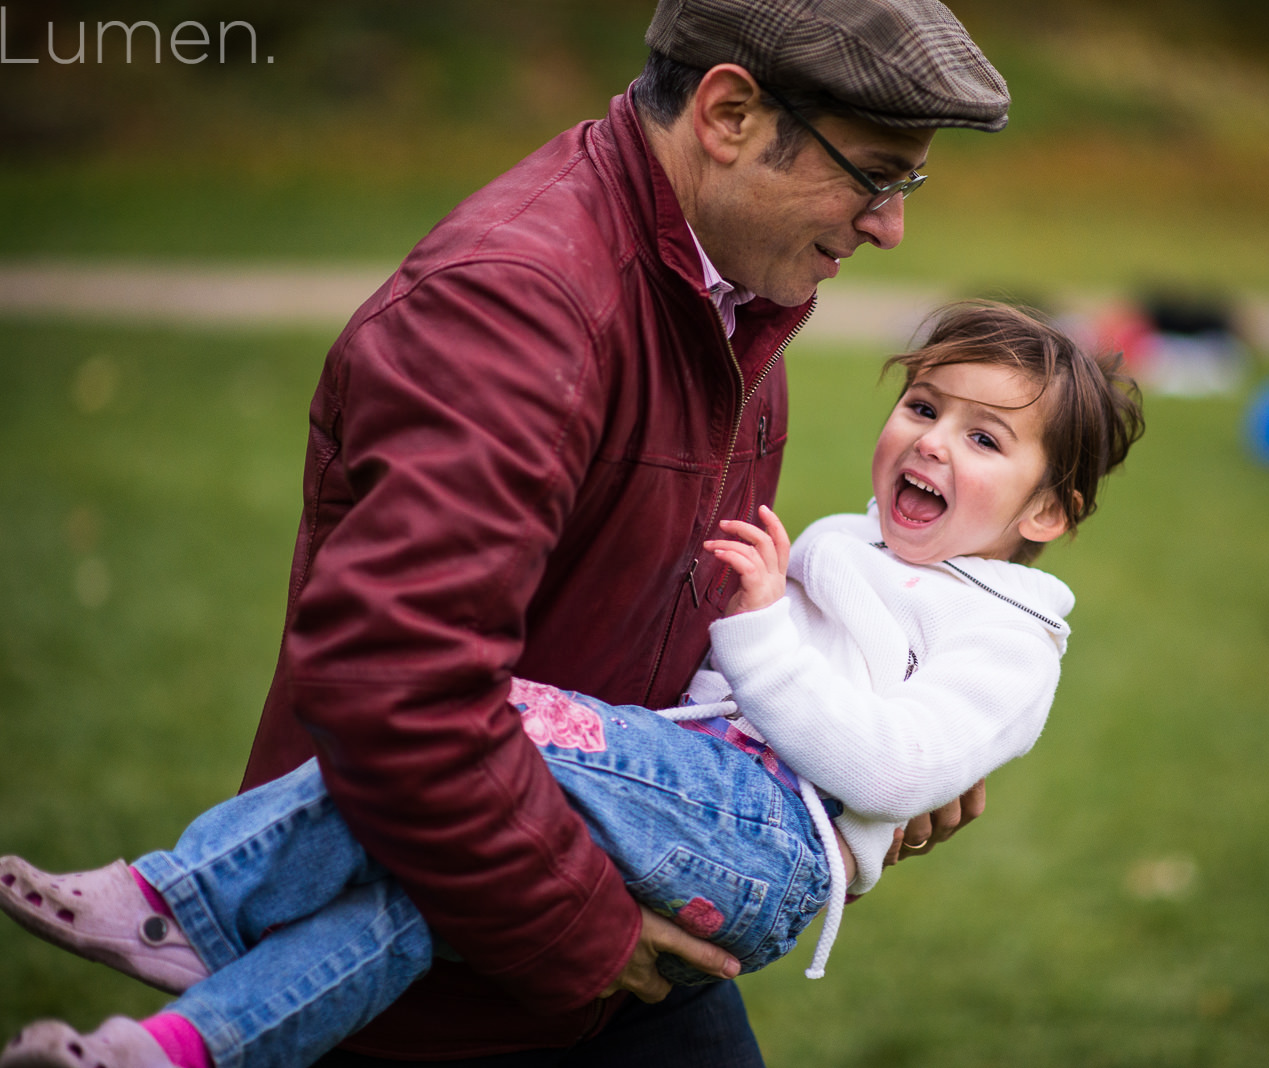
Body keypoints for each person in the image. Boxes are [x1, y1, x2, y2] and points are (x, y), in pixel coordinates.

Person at [10, 1, 1014, 1064]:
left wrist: (855, 762)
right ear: (726, 113)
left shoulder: (732, 291)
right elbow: (395, 689)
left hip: (617, 935)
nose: (889, 225)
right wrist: (585, 932)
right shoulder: (518, 304)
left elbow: (677, 630)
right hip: (437, 966)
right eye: (872, 172)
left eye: (908, 183)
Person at [0, 301, 1145, 1068]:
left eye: (987, 439)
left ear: (1049, 514)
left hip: (760, 843)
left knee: (466, 727)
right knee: (430, 888)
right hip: (696, 800)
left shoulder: (1009, 639)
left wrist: (758, 634)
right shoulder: (854, 545)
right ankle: (170, 1047)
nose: (934, 442)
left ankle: (185, 894)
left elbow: (883, 765)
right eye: (925, 407)